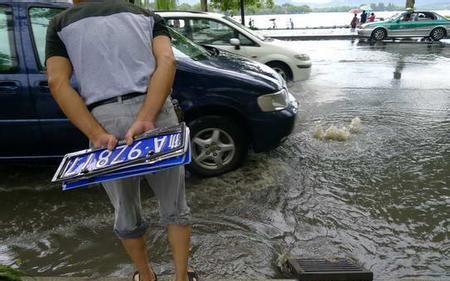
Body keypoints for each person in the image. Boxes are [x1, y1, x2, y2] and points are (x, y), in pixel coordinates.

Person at [45, 1, 196, 281]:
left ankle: (146, 276)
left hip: (105, 121)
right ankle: (181, 277)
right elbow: (168, 61)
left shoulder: (60, 24)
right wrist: (147, 116)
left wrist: (95, 133)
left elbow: (57, 82)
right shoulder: (147, 15)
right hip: (156, 112)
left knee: (125, 209)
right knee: (174, 205)